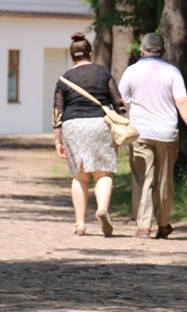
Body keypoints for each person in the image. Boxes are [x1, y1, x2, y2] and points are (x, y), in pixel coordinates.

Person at [118, 33, 187, 239]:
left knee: (143, 179)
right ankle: (163, 225)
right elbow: (182, 102)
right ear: (163, 51)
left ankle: (144, 227)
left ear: (141, 50)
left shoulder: (131, 71)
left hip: (140, 133)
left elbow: (121, 103)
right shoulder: (172, 72)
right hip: (167, 134)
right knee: (165, 181)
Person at [53, 32, 127, 237]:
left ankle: (80, 223)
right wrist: (121, 121)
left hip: (73, 126)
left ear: (71, 56)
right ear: (90, 53)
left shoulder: (64, 79)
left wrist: (57, 139)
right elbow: (117, 101)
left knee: (80, 176)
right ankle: (102, 208)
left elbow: (58, 112)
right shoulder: (103, 73)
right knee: (103, 173)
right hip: (99, 124)